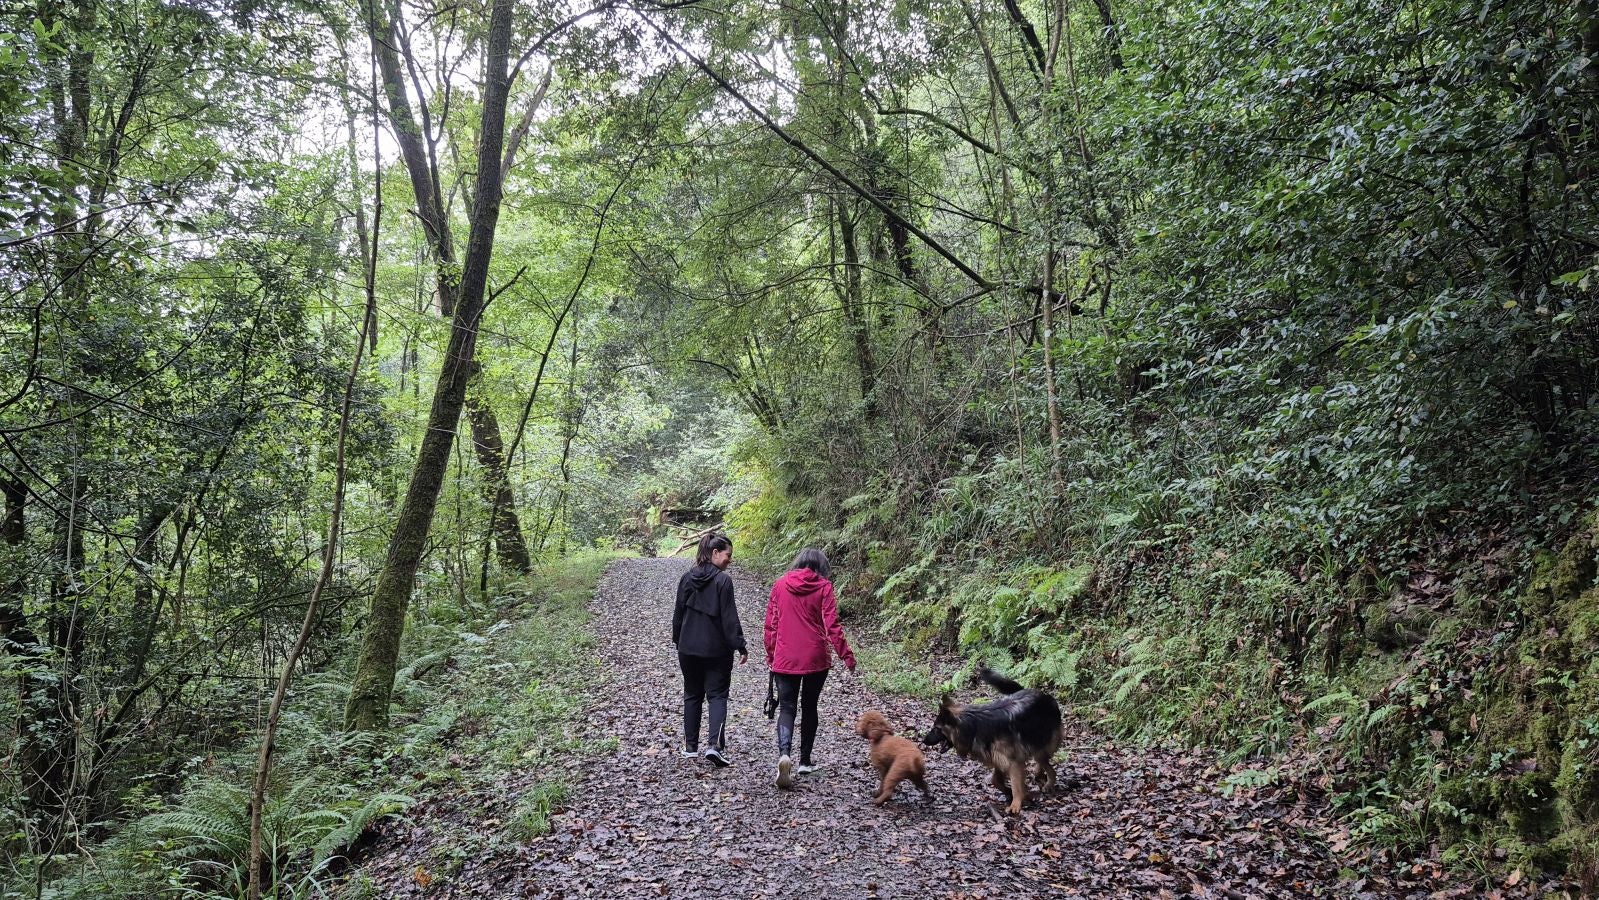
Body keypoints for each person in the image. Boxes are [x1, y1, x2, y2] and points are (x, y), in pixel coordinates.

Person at [764, 547, 856, 789]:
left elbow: (771, 624)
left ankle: (784, 754)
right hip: (815, 657)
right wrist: (846, 656)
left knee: (787, 707)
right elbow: (832, 625)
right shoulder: (824, 587)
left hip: (785, 657)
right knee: (810, 706)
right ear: (820, 567)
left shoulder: (780, 584)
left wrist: (771, 655)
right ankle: (805, 761)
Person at [672, 532, 748, 766]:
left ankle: (690, 747)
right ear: (715, 553)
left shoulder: (686, 578)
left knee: (692, 694)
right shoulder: (723, 581)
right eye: (728, 555)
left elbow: (678, 614)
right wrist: (740, 645)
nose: (729, 560)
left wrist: (678, 640)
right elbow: (729, 617)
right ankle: (714, 746)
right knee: (717, 695)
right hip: (716, 650)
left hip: (688, 648)